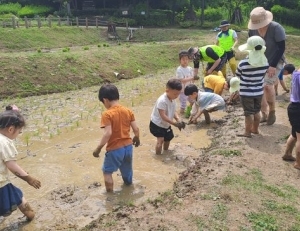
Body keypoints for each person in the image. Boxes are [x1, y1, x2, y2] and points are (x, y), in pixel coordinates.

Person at [92, 83, 140, 192]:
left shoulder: (107, 114)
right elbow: (136, 129)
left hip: (115, 149)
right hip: (128, 147)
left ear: (105, 100)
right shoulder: (128, 111)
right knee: (127, 171)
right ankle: (129, 188)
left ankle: (110, 195)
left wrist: (98, 148)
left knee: (107, 172)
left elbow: (108, 133)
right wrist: (137, 138)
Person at [0, 110, 41, 220]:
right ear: (11, 129)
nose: (18, 134)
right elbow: (11, 165)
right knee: (19, 197)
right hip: (1, 184)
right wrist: (28, 178)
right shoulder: (4, 142)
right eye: (19, 132)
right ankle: (30, 215)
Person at [248, 6, 286, 125]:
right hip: (260, 60)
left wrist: (273, 65)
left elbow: (281, 48)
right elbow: (251, 47)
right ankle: (263, 113)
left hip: (275, 60)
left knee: (267, 85)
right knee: (259, 87)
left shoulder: (276, 28)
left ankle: (272, 111)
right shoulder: (252, 30)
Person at [236, 36, 269, 137]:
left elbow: (237, 77)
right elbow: (263, 75)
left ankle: (247, 132)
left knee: (248, 113)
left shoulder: (243, 63)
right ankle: (255, 129)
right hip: (259, 92)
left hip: (246, 93)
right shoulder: (265, 62)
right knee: (256, 111)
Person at [149, 78, 185, 155]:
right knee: (160, 140)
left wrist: (178, 119)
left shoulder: (173, 99)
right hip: (157, 124)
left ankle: (166, 152)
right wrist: (174, 124)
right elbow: (163, 116)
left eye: (178, 94)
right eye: (175, 94)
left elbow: (174, 111)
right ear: (167, 91)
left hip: (166, 124)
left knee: (168, 138)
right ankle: (158, 156)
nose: (177, 96)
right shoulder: (162, 101)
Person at [282, 69, 300, 169]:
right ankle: (298, 163)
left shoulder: (296, 72)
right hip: (298, 109)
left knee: (294, 134)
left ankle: (287, 154)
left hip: (293, 107)